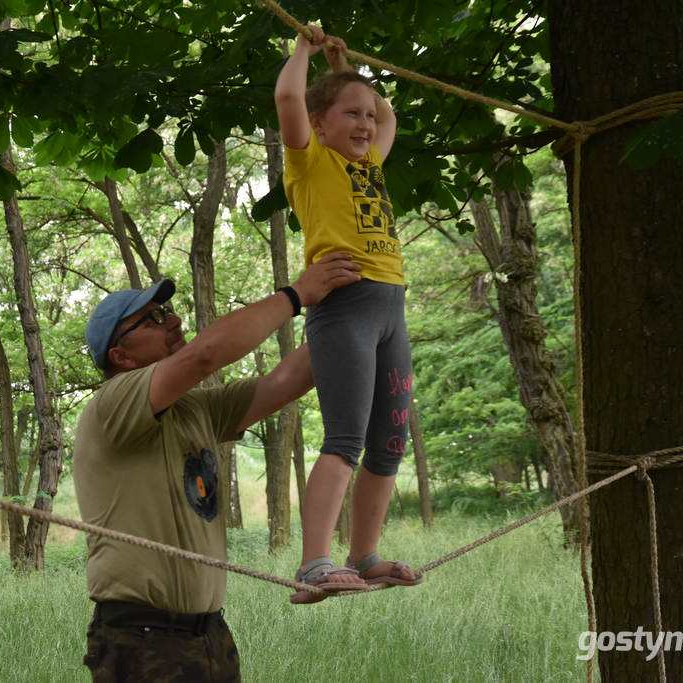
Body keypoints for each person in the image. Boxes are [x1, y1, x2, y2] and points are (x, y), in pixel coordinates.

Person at [72, 253, 361, 682]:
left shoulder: (195, 410)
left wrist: (354, 314)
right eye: (152, 319)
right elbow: (205, 355)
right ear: (122, 356)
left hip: (209, 637)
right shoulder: (112, 403)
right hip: (141, 640)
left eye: (167, 311)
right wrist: (297, 295)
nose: (172, 321)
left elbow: (284, 382)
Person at [274, 26, 422, 604]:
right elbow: (290, 99)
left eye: (366, 113)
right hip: (345, 310)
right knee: (345, 438)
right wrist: (305, 54)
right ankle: (314, 566)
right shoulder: (310, 163)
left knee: (390, 445)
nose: (365, 124)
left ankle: (365, 557)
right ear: (319, 124)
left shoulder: (371, 166)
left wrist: (350, 67)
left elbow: (388, 122)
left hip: (392, 309)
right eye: (350, 113)